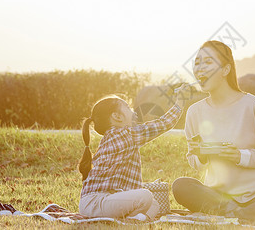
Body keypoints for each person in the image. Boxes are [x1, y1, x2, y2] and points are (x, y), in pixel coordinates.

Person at [172, 41, 255, 223]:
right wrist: (201, 156)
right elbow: (194, 161)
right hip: (218, 195)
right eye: (197, 62)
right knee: (181, 186)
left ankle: (230, 213)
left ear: (225, 70)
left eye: (207, 62)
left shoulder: (251, 104)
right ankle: (237, 213)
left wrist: (240, 156)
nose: (199, 68)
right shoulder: (194, 112)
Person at [78, 87, 187, 221]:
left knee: (154, 204)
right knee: (145, 196)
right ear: (117, 116)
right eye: (128, 107)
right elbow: (163, 124)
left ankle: (136, 220)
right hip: (97, 202)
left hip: (102, 201)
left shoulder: (114, 136)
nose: (133, 110)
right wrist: (180, 103)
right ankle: (134, 220)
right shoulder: (124, 134)